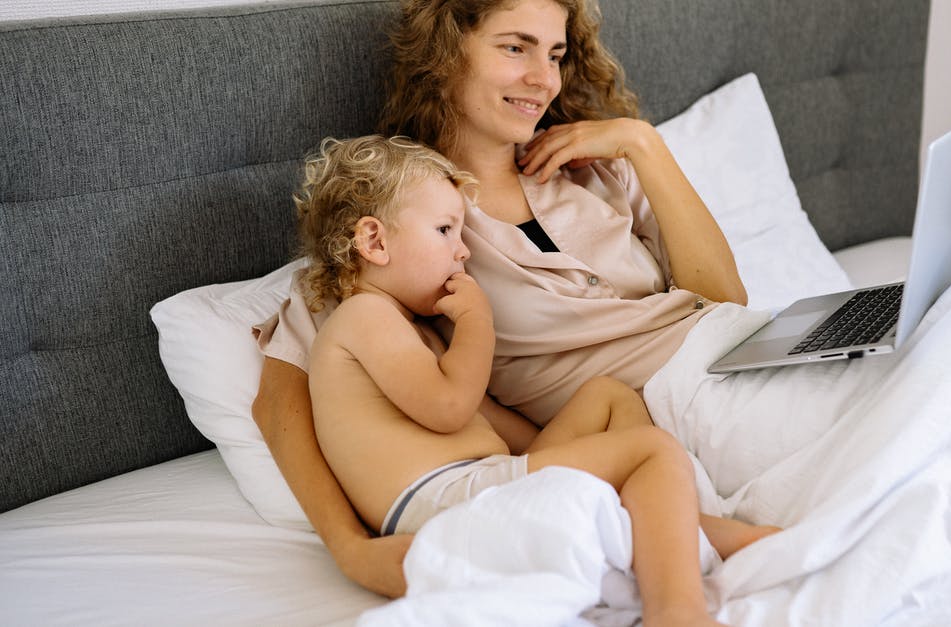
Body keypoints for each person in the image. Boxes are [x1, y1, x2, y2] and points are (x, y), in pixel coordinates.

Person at [253, 0, 749, 598]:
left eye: (557, 54)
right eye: (516, 47)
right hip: (690, 402)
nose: (544, 78)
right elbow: (281, 404)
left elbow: (727, 303)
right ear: (445, 55)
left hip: (734, 354)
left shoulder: (599, 170)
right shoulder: (404, 218)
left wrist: (643, 144)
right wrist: (352, 551)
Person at [293, 134, 775, 625]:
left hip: (479, 482)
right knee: (651, 450)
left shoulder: (410, 331)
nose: (462, 253)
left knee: (606, 397)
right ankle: (678, 611)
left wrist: (571, 455)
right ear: (374, 241)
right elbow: (452, 408)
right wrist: (478, 320)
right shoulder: (364, 317)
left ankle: (678, 526)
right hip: (444, 501)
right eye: (445, 230)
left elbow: (493, 423)